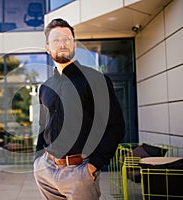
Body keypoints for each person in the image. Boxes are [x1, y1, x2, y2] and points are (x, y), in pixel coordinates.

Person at [33, 18, 125, 200]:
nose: (63, 44)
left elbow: (116, 126)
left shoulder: (96, 80)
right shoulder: (45, 87)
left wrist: (94, 166)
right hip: (46, 170)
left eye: (67, 39)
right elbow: (43, 125)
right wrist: (38, 160)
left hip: (79, 172)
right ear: (47, 47)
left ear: (74, 43)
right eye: (56, 40)